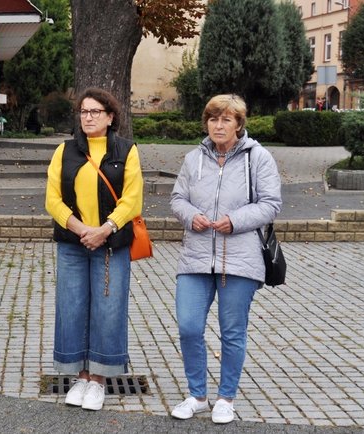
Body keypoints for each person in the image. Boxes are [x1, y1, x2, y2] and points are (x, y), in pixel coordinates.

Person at [169, 94, 282, 424]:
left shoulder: (258, 158)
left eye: (226, 119)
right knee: (189, 326)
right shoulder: (193, 158)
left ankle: (225, 398)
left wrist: (235, 220)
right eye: (213, 119)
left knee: (232, 332)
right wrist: (191, 215)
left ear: (239, 124)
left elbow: (271, 203)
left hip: (241, 259)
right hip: (196, 257)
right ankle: (197, 395)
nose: (218, 125)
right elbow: (177, 198)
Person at [45, 87, 143, 411]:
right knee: (72, 307)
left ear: (110, 117)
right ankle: (81, 377)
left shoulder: (126, 151)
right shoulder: (65, 151)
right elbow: (52, 199)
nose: (88, 117)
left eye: (95, 112)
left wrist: (104, 230)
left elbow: (132, 200)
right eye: (83, 112)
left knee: (108, 310)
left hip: (110, 245)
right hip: (73, 244)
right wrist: (81, 229)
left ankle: (99, 380)